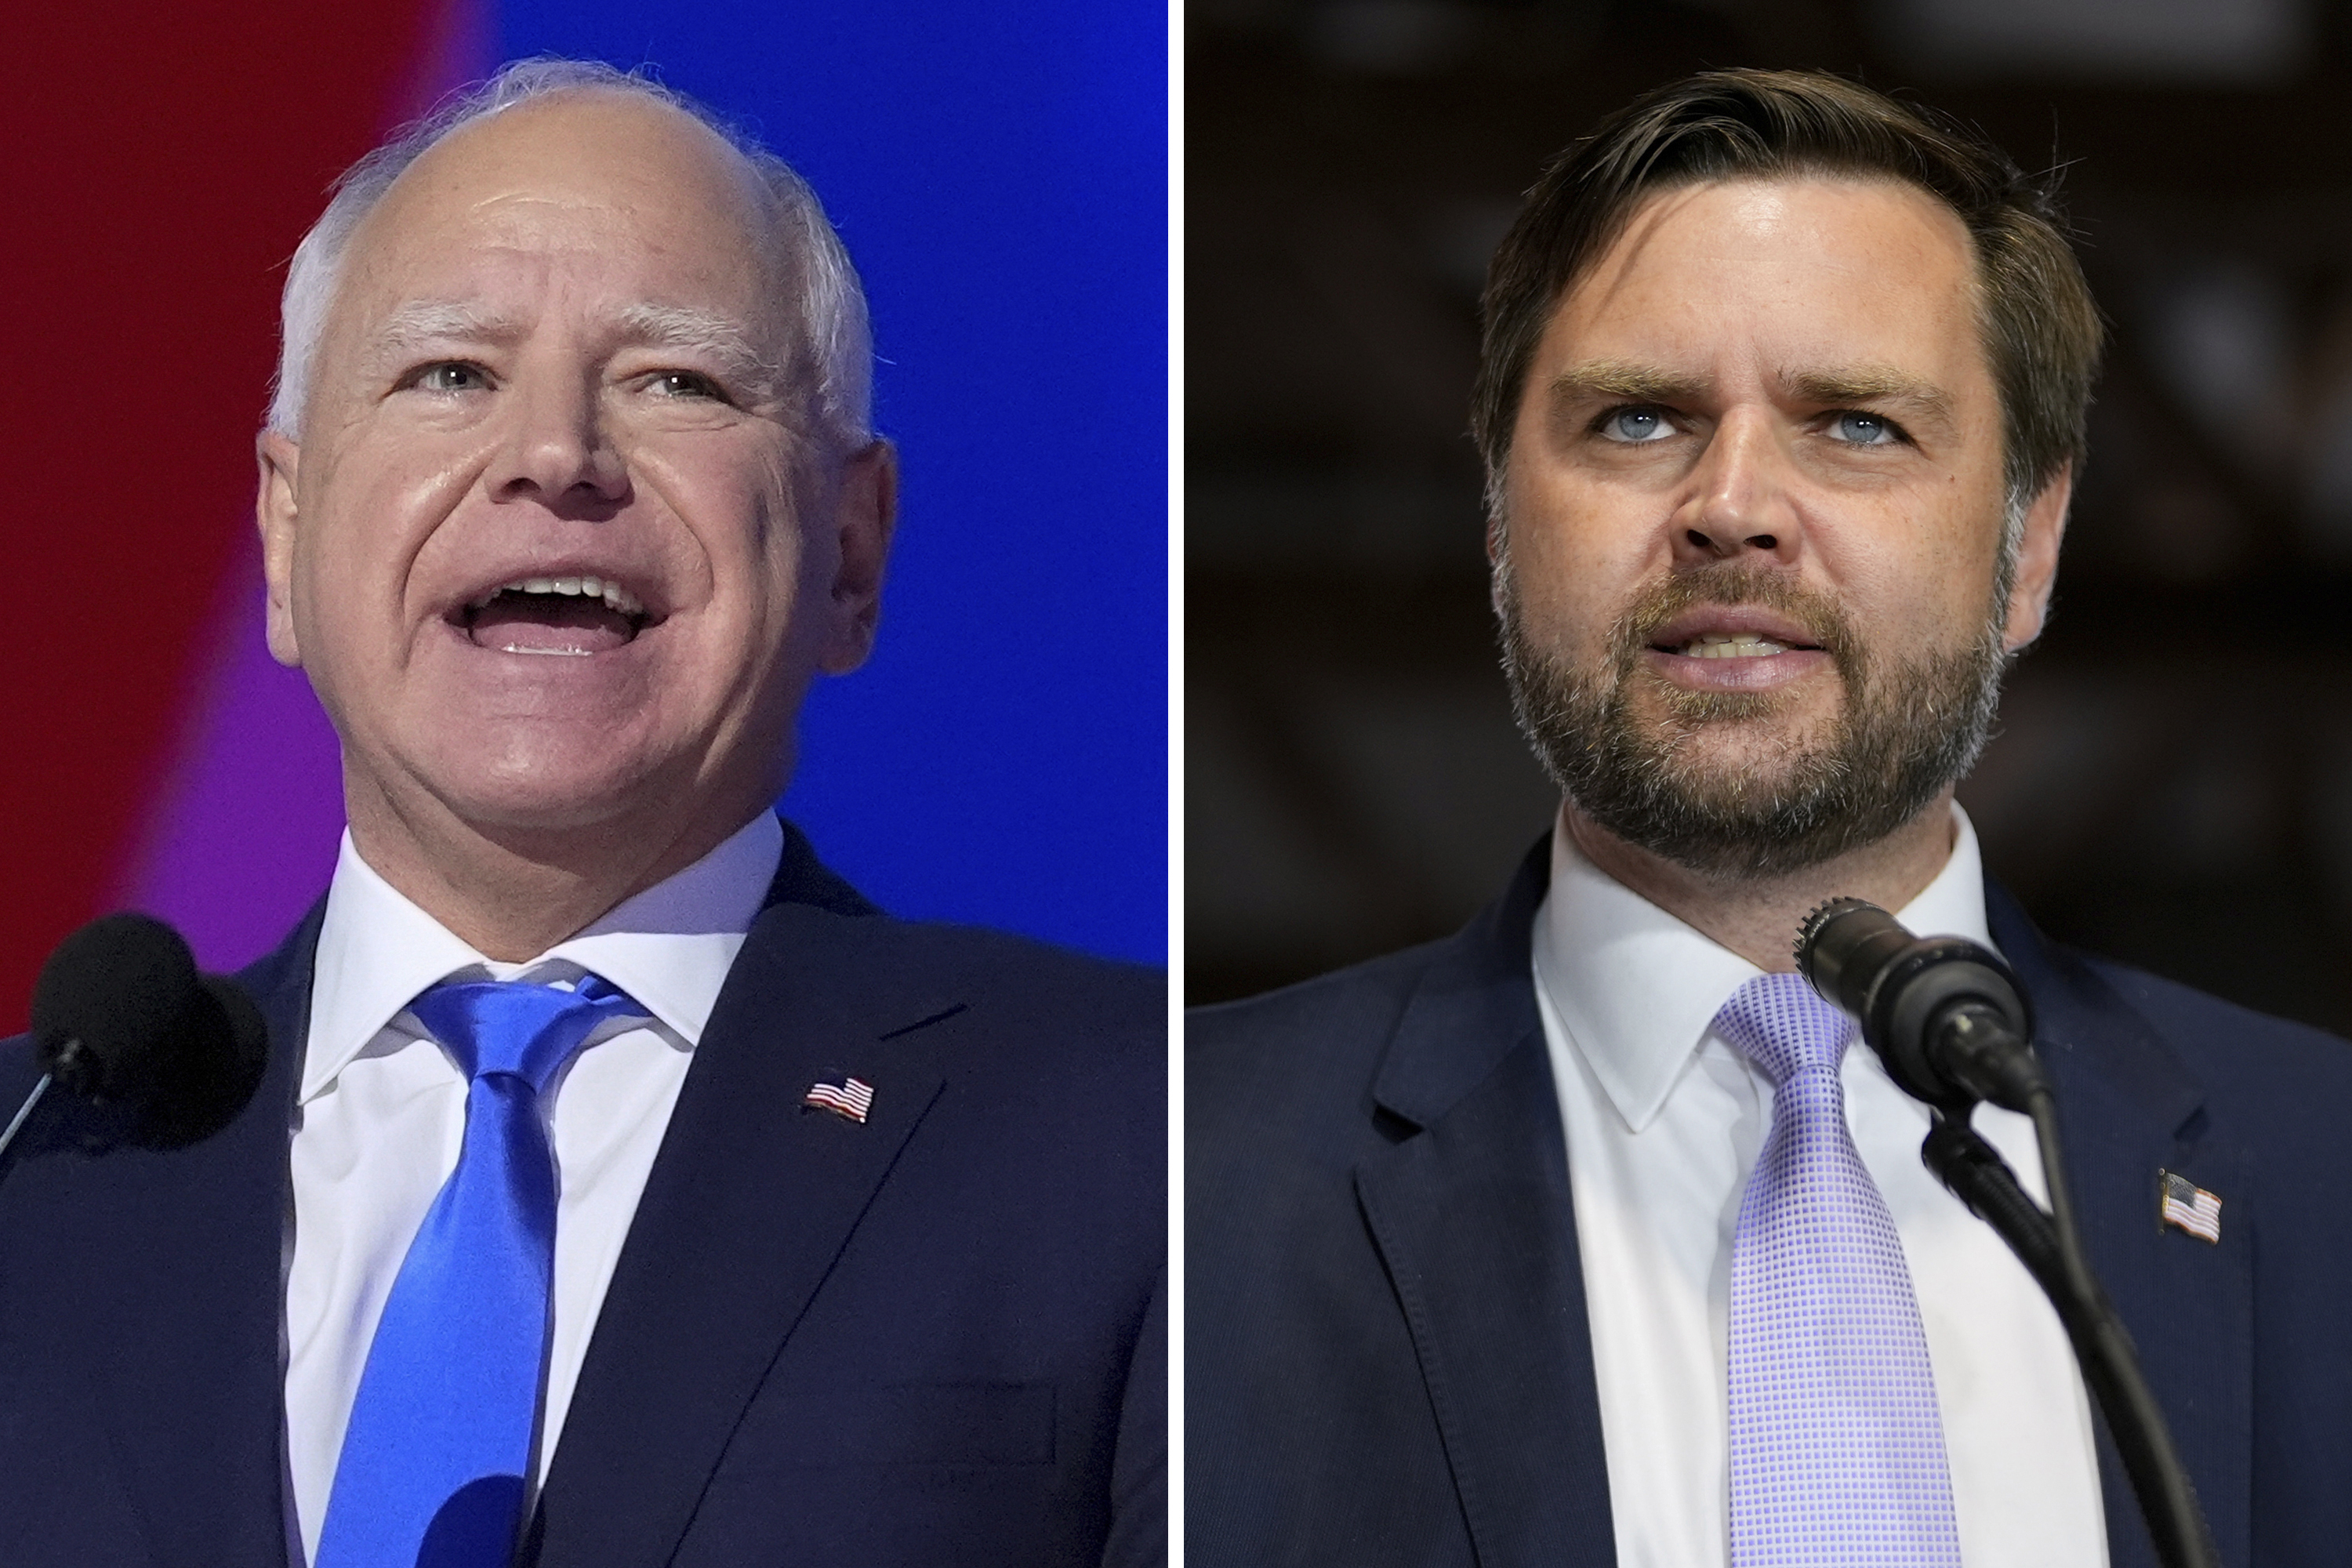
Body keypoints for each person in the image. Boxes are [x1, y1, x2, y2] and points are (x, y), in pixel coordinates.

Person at [0, 60, 1163, 1568]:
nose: (556, 455)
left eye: (677, 380)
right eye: (450, 376)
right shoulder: (37, 1166)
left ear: (852, 552)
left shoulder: (1135, 1134)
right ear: (286, 534)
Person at [1189, 68, 2352, 1567]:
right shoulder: (1170, 1185)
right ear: (1499, 527)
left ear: (2031, 546)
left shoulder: (2323, 1178)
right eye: (1636, 419)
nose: (1732, 503)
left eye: (1857, 426)